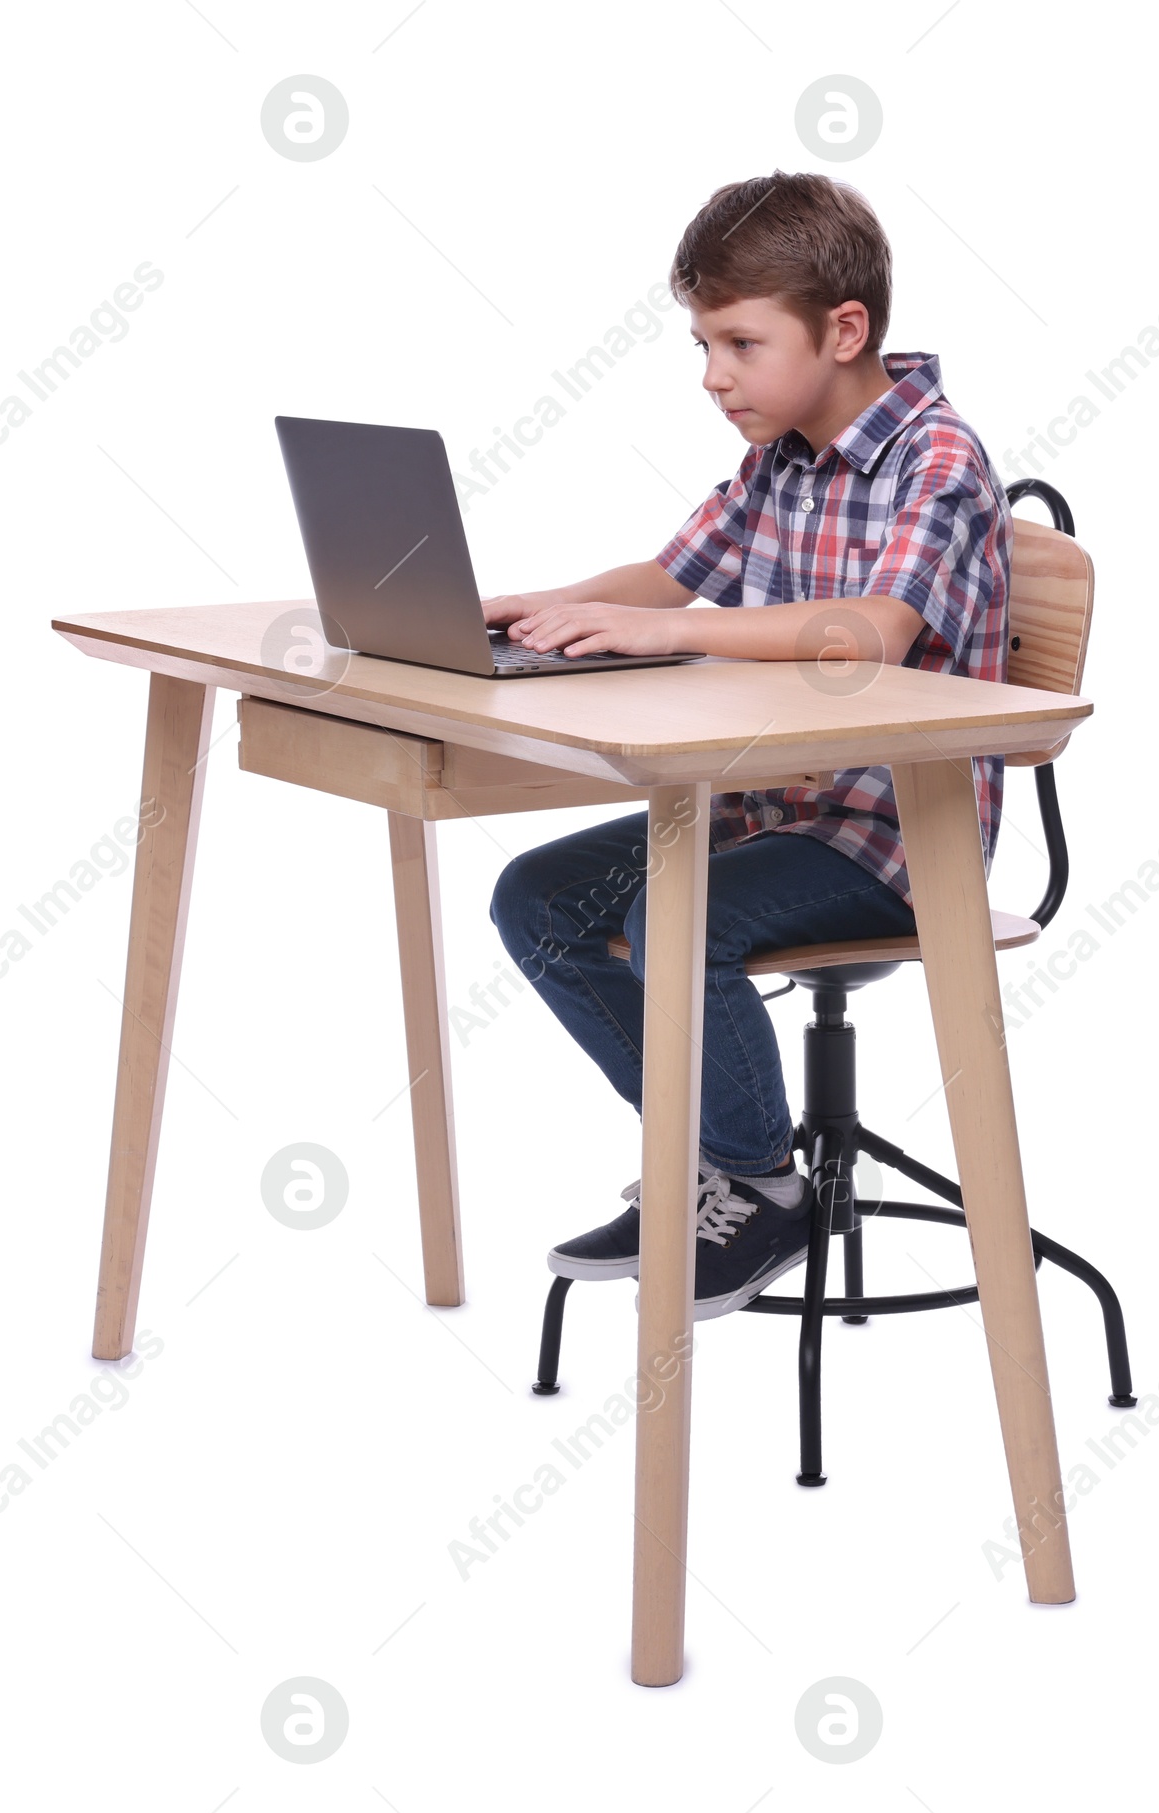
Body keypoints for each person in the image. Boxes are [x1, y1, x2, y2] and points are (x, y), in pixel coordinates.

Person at [485, 170, 1013, 1320]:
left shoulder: (938, 459)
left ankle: (761, 1190)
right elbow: (669, 575)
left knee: (677, 920)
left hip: (888, 832)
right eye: (701, 344)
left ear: (843, 330)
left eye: (736, 342)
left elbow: (868, 632)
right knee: (538, 897)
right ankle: (723, 1162)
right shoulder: (779, 456)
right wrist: (525, 607)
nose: (713, 375)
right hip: (764, 808)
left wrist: (667, 629)